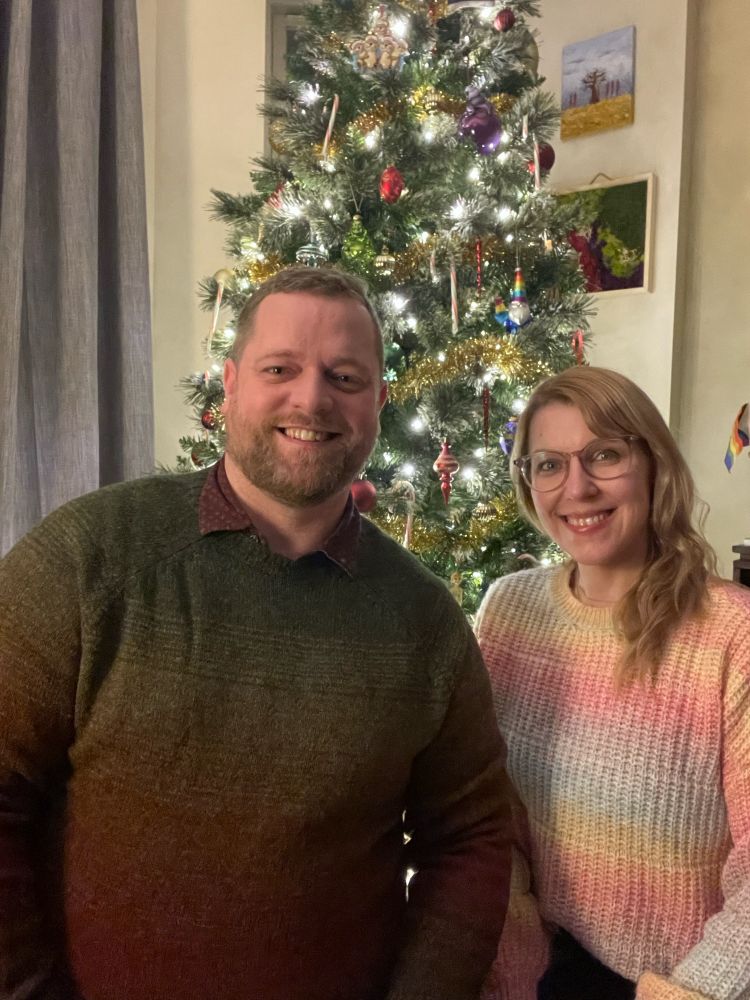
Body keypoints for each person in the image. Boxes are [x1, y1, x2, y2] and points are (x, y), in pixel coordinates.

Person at [0, 266, 513, 1000]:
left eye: (344, 377)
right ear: (231, 384)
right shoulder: (86, 559)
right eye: (281, 369)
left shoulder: (424, 620)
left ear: (377, 403)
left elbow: (470, 839)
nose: (312, 399)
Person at [476, 366, 750, 1000]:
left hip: (685, 985)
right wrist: (513, 965)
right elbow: (495, 816)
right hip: (540, 973)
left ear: (653, 464)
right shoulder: (509, 610)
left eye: (604, 455)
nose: (577, 487)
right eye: (549, 464)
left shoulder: (731, 632)